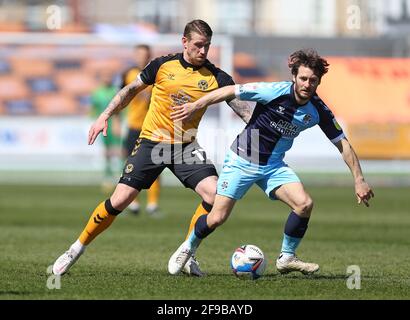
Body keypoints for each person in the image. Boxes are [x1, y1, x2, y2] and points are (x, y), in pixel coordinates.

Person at [52, 20, 252, 277]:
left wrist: (263, 130)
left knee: (215, 196)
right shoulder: (162, 65)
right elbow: (130, 90)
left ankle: (189, 252)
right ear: (185, 42)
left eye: (207, 46)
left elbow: (244, 111)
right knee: (120, 200)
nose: (203, 51)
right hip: (151, 143)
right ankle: (75, 248)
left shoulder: (217, 77)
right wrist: (105, 115)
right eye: (198, 45)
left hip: (185, 146)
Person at [168, 48, 375, 276]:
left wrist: (359, 179)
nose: (307, 84)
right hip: (241, 160)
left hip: (273, 166)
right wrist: (195, 105)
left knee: (304, 204)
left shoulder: (319, 110)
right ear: (294, 76)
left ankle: (286, 258)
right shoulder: (273, 91)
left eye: (313, 80)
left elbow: (342, 143)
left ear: (318, 81)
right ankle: (187, 247)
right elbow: (230, 90)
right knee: (217, 217)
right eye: (303, 78)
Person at [121, 44, 160, 215]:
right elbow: (121, 96)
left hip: (153, 127)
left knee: (157, 165)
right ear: (135, 55)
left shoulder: (158, 73)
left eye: (145, 55)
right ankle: (133, 204)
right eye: (139, 54)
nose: (142, 57)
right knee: (130, 164)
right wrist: (115, 120)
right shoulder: (128, 74)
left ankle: (153, 204)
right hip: (133, 126)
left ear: (149, 56)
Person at [90, 71, 122, 190]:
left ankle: (121, 175)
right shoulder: (97, 93)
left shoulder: (115, 91)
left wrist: (118, 123)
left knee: (119, 151)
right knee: (107, 152)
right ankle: (107, 176)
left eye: (110, 76)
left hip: (114, 124)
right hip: (102, 126)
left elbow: (120, 109)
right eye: (106, 76)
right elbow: (94, 109)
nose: (108, 79)